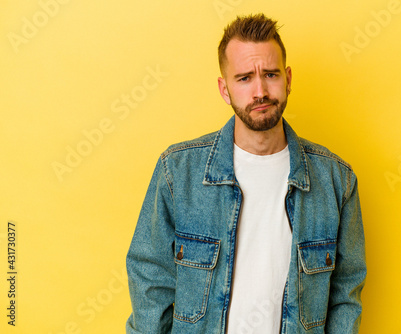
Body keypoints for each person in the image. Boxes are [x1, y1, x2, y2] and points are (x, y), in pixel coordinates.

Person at [126, 13, 366, 334]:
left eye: (270, 74)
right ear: (225, 89)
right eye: (244, 78)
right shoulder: (178, 171)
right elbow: (150, 282)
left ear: (288, 79)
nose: (260, 91)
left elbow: (345, 295)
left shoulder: (336, 181)